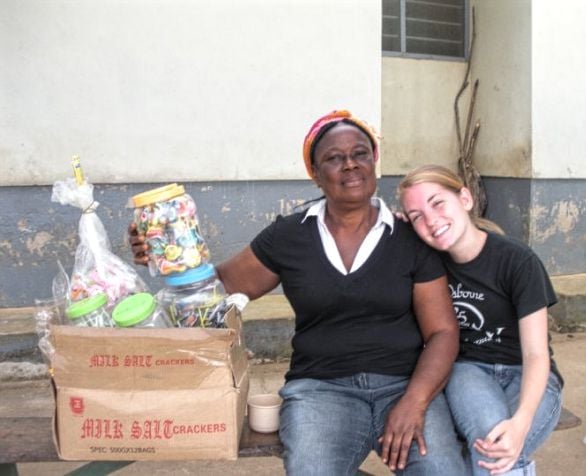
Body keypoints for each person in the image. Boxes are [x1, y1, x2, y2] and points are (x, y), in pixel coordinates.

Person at [129, 111, 467, 475]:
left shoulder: (409, 237)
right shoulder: (290, 236)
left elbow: (443, 332)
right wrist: (164, 252)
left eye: (360, 153)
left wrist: (415, 401)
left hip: (404, 385)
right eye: (334, 158)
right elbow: (215, 290)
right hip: (321, 391)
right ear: (316, 175)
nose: (350, 165)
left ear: (374, 161)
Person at [398, 164, 564, 476]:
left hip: (527, 373)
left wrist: (521, 422)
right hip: (468, 370)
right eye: (417, 215)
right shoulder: (427, 263)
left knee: (504, 445)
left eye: (438, 203)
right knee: (491, 442)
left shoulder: (517, 260)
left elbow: (536, 354)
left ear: (465, 198)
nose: (431, 220)